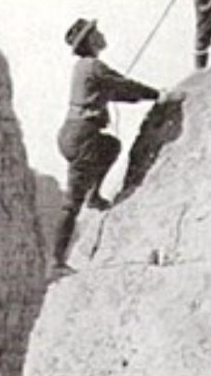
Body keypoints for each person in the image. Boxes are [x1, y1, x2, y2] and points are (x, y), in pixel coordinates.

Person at [51, 17, 159, 277]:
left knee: (110, 146)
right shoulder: (94, 66)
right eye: (96, 32)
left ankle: (94, 195)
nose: (101, 34)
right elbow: (123, 85)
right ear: (90, 40)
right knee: (71, 205)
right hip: (82, 136)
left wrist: (140, 96)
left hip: (74, 134)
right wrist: (157, 95)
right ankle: (56, 263)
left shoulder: (84, 67)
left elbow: (120, 92)